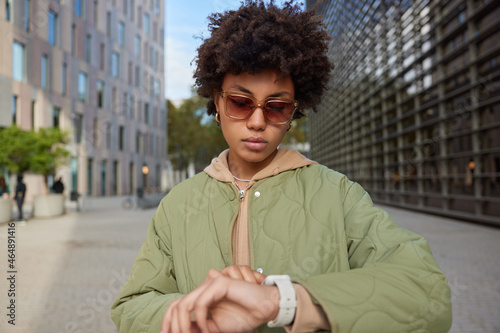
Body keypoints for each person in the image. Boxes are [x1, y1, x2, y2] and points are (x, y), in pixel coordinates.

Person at [111, 1, 452, 332]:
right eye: (241, 103)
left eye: (276, 107)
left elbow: (427, 292)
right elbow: (132, 306)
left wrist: (282, 302)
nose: (258, 121)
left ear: (293, 114)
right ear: (217, 102)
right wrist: (199, 313)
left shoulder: (337, 195)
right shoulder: (177, 204)